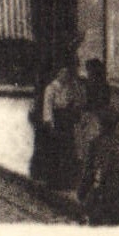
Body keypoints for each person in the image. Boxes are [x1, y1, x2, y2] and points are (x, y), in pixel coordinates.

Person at [77, 108, 119, 225]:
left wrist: (82, 194)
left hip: (103, 200)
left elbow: (89, 174)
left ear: (101, 125)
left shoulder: (96, 144)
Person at [40, 50, 86, 188]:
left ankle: (69, 181)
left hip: (68, 121)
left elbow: (79, 101)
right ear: (58, 73)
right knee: (56, 150)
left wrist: (75, 109)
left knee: (69, 150)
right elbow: (47, 107)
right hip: (58, 120)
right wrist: (49, 122)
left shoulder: (72, 86)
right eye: (62, 72)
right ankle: (55, 181)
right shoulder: (51, 88)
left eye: (67, 73)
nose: (65, 75)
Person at [75, 57, 112, 178]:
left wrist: (84, 107)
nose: (88, 73)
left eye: (89, 70)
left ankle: (88, 171)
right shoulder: (93, 84)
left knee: (90, 144)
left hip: (94, 117)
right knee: (89, 145)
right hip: (92, 117)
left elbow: (98, 103)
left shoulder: (96, 86)